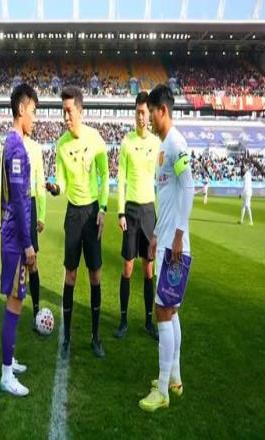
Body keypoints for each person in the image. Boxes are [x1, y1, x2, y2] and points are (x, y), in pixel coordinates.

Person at [139, 85, 194, 412]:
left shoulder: (175, 143)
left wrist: (177, 235)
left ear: (162, 110)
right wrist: (158, 234)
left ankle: (162, 391)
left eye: (151, 112)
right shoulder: (164, 148)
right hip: (167, 243)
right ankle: (174, 379)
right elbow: (169, 198)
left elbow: (188, 187)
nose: (149, 119)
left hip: (176, 247)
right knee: (170, 311)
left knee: (162, 311)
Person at [46, 86, 109, 359]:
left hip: (92, 213)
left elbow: (105, 175)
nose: (66, 117)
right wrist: (55, 188)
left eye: (69, 111)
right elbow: (61, 181)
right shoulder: (61, 145)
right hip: (73, 214)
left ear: (80, 111)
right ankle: (67, 338)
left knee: (95, 275)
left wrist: (103, 208)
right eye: (63, 112)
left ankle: (95, 337)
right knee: (70, 275)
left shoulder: (96, 139)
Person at [0, 84, 38, 396]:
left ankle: (10, 360)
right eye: (33, 112)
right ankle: (5, 374)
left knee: (17, 300)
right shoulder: (15, 148)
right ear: (22, 109)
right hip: (15, 238)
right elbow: (18, 201)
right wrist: (27, 244)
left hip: (14, 234)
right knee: (14, 302)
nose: (35, 118)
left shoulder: (14, 144)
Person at [114, 91, 160, 340]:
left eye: (144, 113)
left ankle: (148, 321)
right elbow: (120, 179)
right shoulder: (126, 143)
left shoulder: (156, 143)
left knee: (148, 269)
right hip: (131, 211)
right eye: (138, 113)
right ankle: (123, 321)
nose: (141, 117)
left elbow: (161, 180)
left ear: (149, 114)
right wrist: (121, 212)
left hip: (149, 211)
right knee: (128, 267)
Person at [23, 134, 46, 331]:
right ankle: (14, 309)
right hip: (14, 205)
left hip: (29, 205)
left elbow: (40, 181)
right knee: (16, 264)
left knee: (32, 261)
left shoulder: (36, 148)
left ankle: (36, 310)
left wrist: (42, 215)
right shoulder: (10, 144)